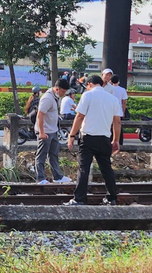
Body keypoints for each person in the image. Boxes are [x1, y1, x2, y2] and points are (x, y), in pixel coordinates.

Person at [65, 75, 122, 206]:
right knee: (107, 169)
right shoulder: (112, 99)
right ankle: (111, 197)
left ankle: (79, 199)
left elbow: (79, 116)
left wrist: (72, 135)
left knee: (83, 168)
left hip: (88, 137)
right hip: (104, 138)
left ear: (89, 84)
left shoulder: (88, 96)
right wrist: (116, 140)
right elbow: (117, 121)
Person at [35, 79, 73, 185]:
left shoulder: (56, 97)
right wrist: (42, 132)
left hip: (53, 130)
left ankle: (57, 176)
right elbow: (40, 115)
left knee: (54, 154)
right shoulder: (47, 98)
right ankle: (40, 178)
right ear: (57, 89)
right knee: (42, 154)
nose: (64, 94)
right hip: (46, 130)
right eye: (63, 91)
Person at [111, 74, 127, 145]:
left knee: (109, 127)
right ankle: (119, 143)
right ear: (118, 81)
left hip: (109, 111)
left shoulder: (109, 89)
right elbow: (124, 102)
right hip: (119, 111)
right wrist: (123, 111)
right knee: (119, 127)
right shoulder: (122, 90)